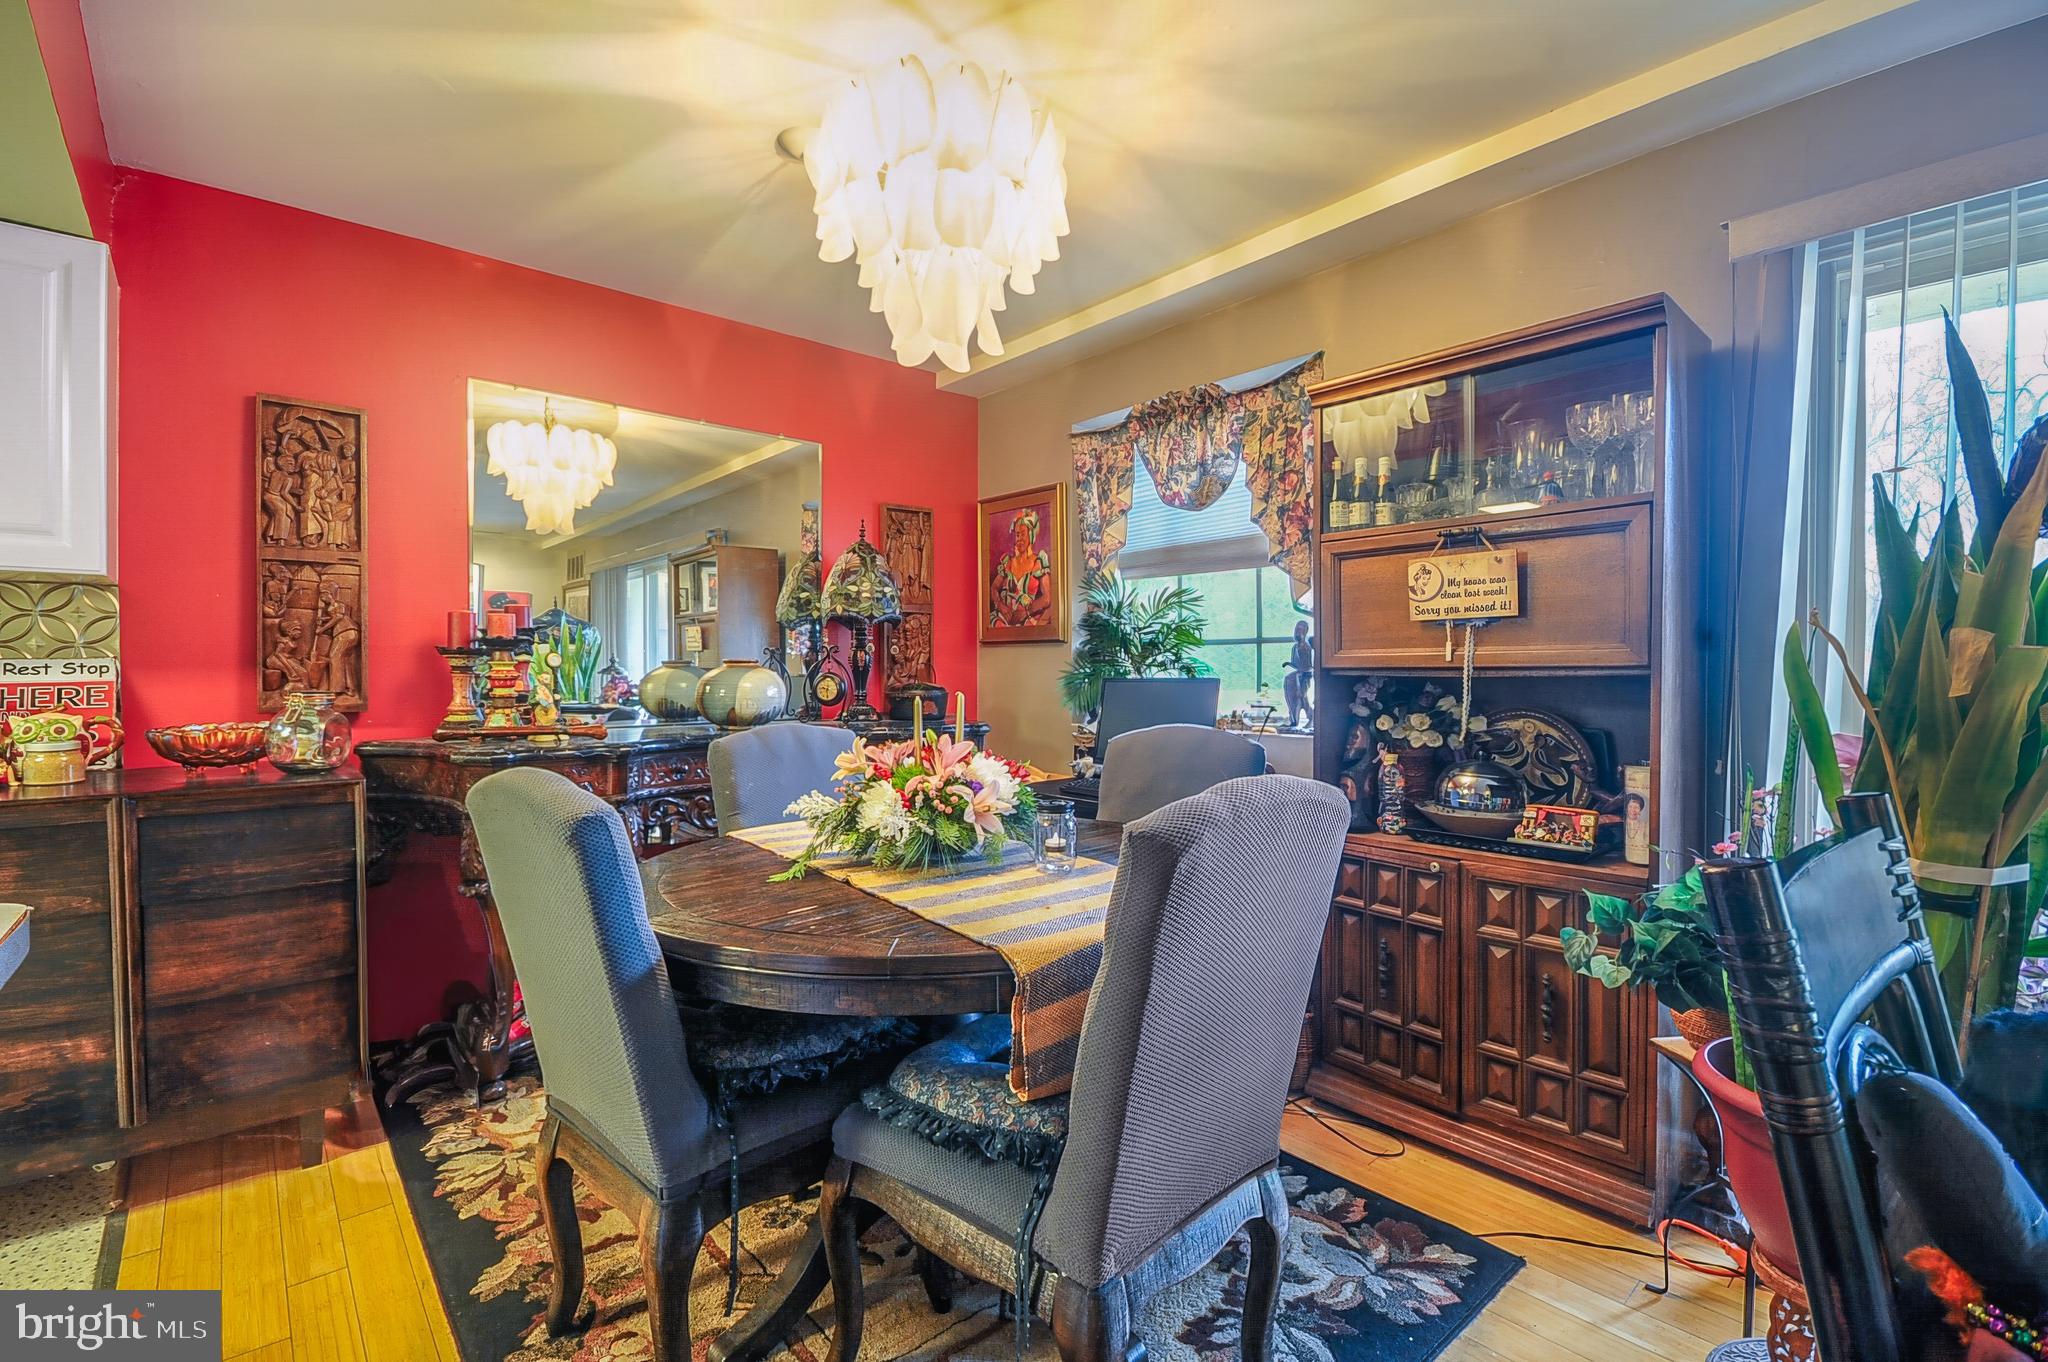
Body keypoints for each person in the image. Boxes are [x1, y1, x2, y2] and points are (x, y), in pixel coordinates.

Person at [988, 506, 1052, 627]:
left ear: (1032, 535)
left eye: (1023, 534)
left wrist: (1026, 612)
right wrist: (1001, 606)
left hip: (1027, 618)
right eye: (1017, 535)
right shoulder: (1008, 562)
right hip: (1003, 618)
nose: (1019, 539)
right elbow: (994, 588)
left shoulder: (1038, 562)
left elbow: (1047, 598)